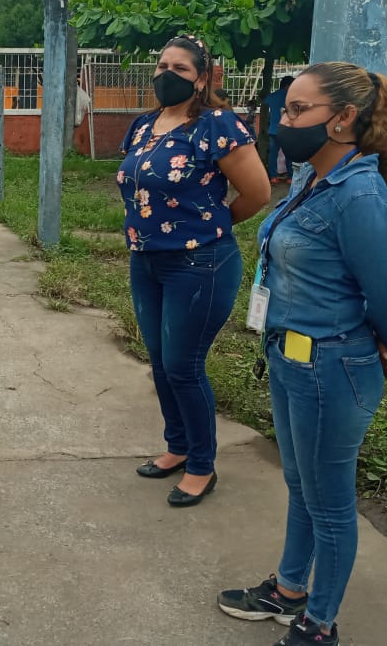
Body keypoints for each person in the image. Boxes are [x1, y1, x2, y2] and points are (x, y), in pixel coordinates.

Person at [218, 62, 387, 646]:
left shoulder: (360, 197)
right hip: (290, 357)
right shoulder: (313, 179)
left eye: (299, 110)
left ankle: (319, 624)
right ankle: (288, 590)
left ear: (344, 118)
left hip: (332, 366)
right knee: (303, 486)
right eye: (286, 108)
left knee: (329, 502)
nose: (285, 121)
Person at [118, 34, 270, 507]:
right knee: (161, 362)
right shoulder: (144, 126)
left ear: (202, 78)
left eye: (180, 68)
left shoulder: (217, 125)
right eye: (162, 66)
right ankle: (178, 446)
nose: (167, 74)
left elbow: (258, 193)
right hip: (146, 261)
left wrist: (209, 227)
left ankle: (202, 464)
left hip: (200, 262)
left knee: (184, 366)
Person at [264, 75, 295, 184]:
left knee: (273, 154)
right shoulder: (291, 97)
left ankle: (273, 177)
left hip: (273, 130)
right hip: (287, 130)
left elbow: (265, 101)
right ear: (287, 85)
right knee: (289, 154)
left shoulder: (273, 96)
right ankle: (290, 177)